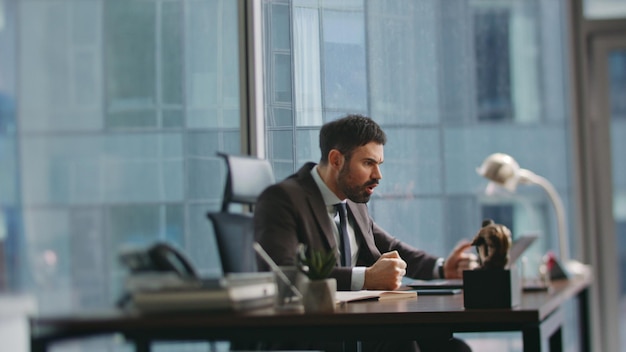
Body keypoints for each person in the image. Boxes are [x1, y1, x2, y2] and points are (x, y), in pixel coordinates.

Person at [254, 114, 475, 352]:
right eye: (368, 163)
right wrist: (366, 278)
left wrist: (442, 267)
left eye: (379, 164)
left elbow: (390, 247)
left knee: (454, 349)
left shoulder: (353, 200)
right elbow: (285, 277)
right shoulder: (283, 199)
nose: (378, 176)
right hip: (314, 333)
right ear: (336, 159)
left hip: (359, 325)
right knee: (402, 344)